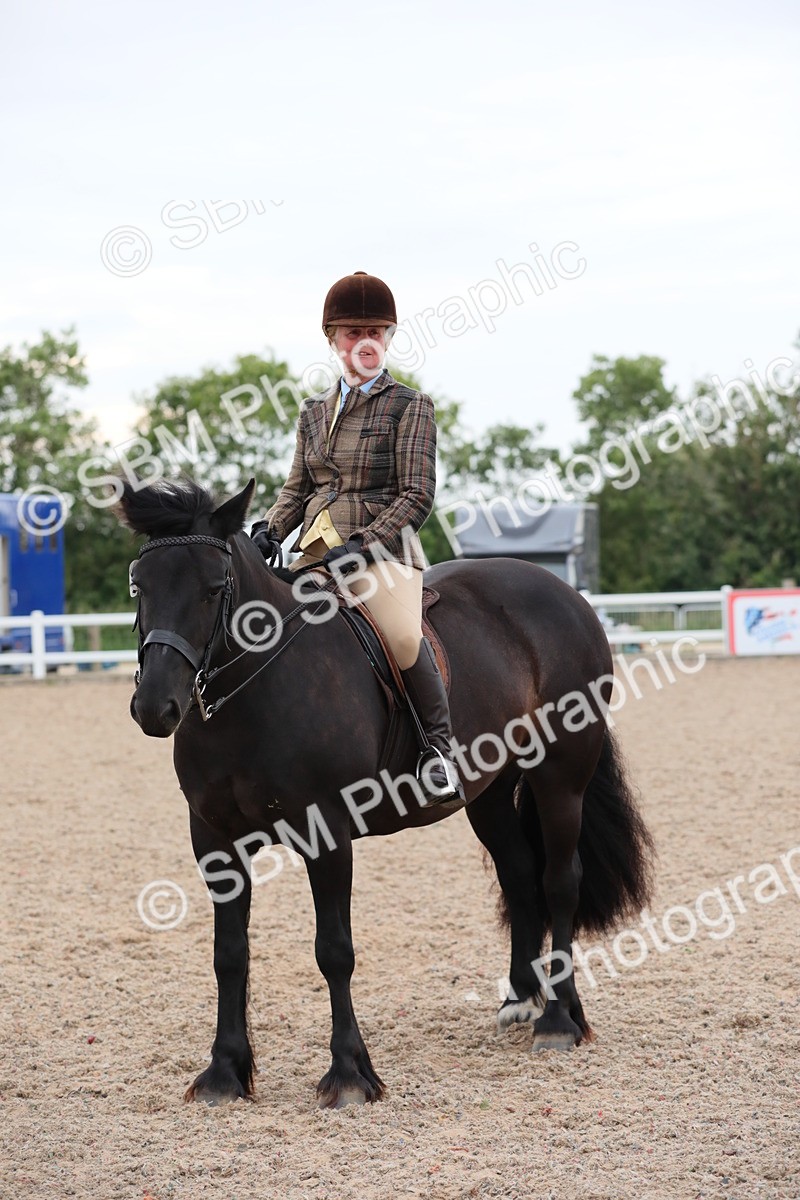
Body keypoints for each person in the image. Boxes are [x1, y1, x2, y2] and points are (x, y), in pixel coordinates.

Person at [250, 271, 463, 804]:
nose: (363, 341)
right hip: (314, 553)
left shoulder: (409, 405)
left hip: (384, 555)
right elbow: (298, 488)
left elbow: (417, 494)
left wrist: (363, 544)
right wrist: (269, 530)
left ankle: (438, 752)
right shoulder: (313, 411)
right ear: (332, 339)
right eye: (352, 332)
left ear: (387, 338)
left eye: (374, 331)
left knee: (404, 637)